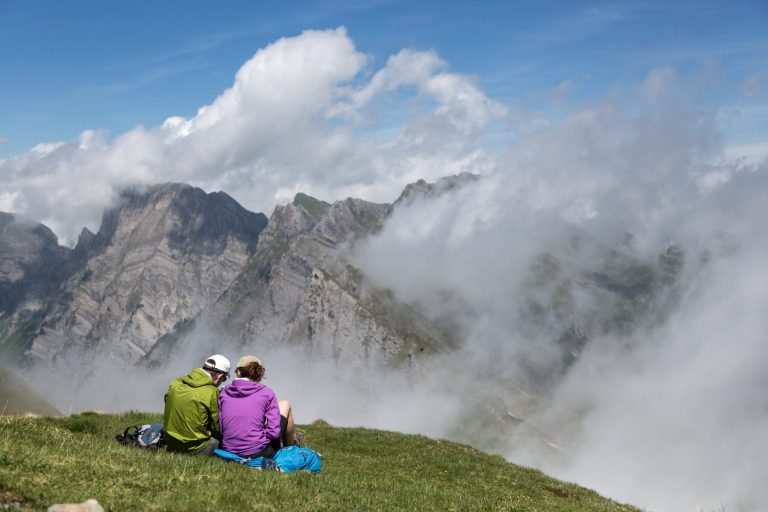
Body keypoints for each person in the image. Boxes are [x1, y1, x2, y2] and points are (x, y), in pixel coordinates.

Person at [218, 355, 298, 458]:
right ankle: (290, 449)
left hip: (228, 450)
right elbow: (274, 433)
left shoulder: (224, 393)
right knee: (285, 404)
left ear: (238, 372)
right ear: (259, 373)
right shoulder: (267, 393)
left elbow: (221, 427)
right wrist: (260, 431)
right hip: (258, 452)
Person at [163, 354, 230, 455]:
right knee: (221, 442)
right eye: (224, 379)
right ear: (220, 376)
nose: (222, 381)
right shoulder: (212, 391)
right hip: (196, 448)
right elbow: (216, 428)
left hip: (171, 444)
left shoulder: (175, 384)